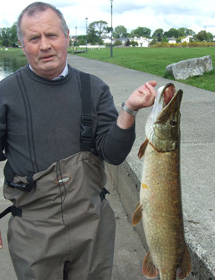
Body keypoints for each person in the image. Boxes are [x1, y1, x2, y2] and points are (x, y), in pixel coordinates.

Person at [0, 2, 157, 280]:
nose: (45, 45)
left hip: (92, 223)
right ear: (22, 44)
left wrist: (129, 110)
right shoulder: (6, 92)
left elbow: (113, 153)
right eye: (34, 38)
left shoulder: (94, 88)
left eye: (52, 35)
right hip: (34, 229)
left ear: (67, 37)